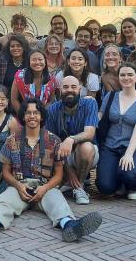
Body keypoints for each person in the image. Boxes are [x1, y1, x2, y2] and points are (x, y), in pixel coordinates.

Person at [0, 98, 102, 242]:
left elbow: (58, 175)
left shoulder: (54, 141)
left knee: (58, 202)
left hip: (45, 187)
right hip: (20, 187)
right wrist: (19, 186)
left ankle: (70, 226)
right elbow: (6, 172)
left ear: (42, 116)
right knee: (3, 202)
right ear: (23, 116)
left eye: (36, 113)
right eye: (28, 113)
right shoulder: (12, 140)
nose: (32, 116)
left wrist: (44, 188)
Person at [96, 63, 136, 199]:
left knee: (130, 173)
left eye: (130, 75)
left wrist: (128, 154)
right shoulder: (110, 97)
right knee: (105, 187)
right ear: (118, 78)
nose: (126, 78)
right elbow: (99, 118)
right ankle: (120, 182)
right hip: (111, 146)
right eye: (122, 75)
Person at [46, 76, 98, 205]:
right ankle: (70, 182)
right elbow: (52, 143)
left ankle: (79, 187)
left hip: (87, 154)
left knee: (86, 147)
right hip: (62, 156)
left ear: (80, 89)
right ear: (59, 90)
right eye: (66, 87)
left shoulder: (90, 103)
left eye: (73, 87)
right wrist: (69, 172)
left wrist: (71, 139)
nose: (70, 90)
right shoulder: (53, 109)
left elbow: (90, 134)